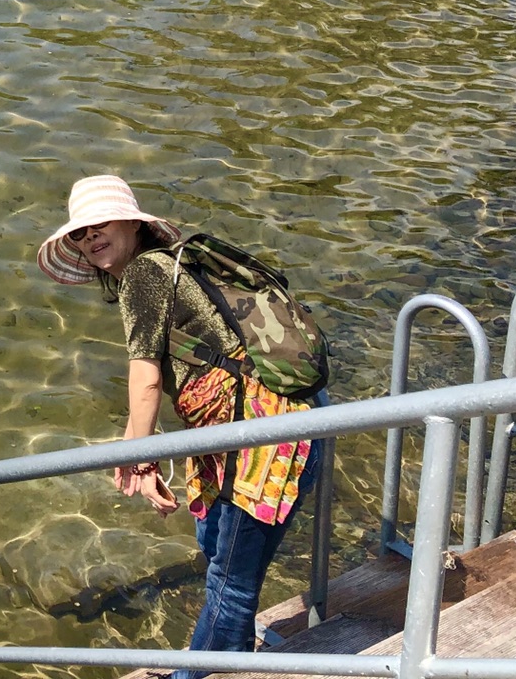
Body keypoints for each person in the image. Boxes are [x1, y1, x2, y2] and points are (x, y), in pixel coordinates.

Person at [37, 174, 324, 679]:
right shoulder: (165, 267)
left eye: (99, 225)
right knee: (217, 548)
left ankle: (192, 673)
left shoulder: (148, 272)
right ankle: (226, 660)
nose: (90, 239)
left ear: (131, 221)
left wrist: (139, 457)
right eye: (79, 235)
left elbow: (146, 379)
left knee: (230, 583)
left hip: (263, 433)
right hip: (264, 425)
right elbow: (151, 388)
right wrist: (135, 450)